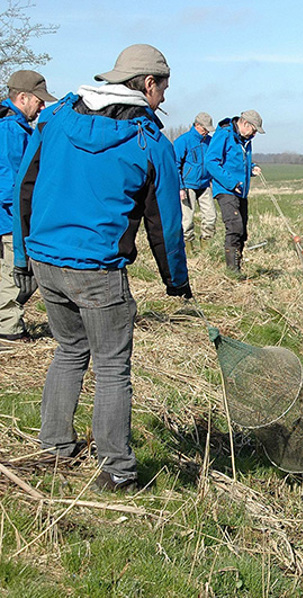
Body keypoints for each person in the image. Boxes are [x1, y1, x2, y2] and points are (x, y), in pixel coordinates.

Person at [12, 44, 191, 492]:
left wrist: (22, 260)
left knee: (69, 351)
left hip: (46, 261)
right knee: (112, 366)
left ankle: (53, 447)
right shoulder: (149, 140)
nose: (165, 99)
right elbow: (165, 220)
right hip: (97, 271)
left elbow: (24, 189)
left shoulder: (56, 118)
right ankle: (118, 471)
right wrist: (177, 281)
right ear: (148, 84)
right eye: (163, 88)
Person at [0, 70, 56, 341]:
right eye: (38, 100)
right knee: (13, 276)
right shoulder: (10, 129)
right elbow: (11, 183)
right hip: (10, 219)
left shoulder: (12, 125)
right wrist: (29, 215)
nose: (41, 106)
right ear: (22, 98)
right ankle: (9, 331)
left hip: (10, 217)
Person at [205, 110, 263, 274]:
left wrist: (252, 168)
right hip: (225, 189)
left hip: (241, 191)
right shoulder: (224, 134)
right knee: (235, 227)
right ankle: (232, 272)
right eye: (254, 130)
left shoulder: (246, 140)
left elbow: (240, 161)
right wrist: (231, 183)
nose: (254, 134)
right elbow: (211, 161)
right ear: (245, 124)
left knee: (242, 231)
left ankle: (238, 265)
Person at [174, 111, 215, 251]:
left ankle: (206, 247)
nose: (206, 132)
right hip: (187, 186)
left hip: (205, 185)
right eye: (204, 129)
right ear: (197, 125)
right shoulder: (183, 141)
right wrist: (180, 187)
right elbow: (175, 165)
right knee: (187, 221)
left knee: (211, 217)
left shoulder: (210, 142)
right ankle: (188, 250)